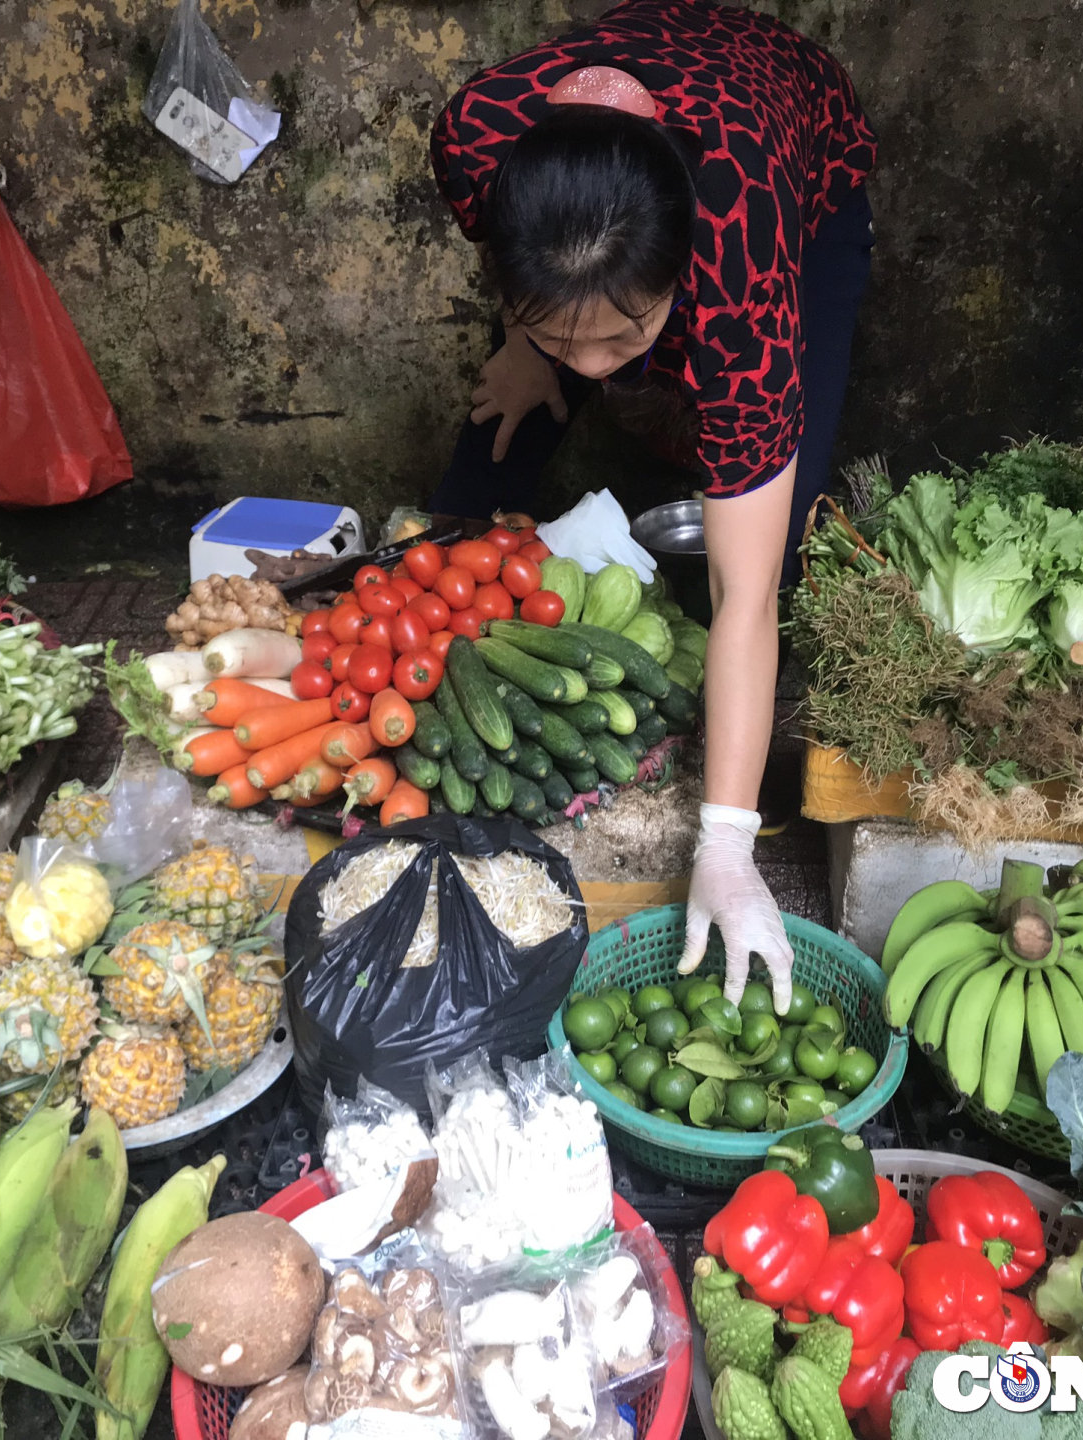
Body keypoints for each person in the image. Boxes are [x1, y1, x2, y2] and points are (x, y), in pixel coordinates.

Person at [426, 0, 877, 1015]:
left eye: (622, 341)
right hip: (600, 196)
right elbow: (555, 296)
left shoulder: (743, 279)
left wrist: (726, 839)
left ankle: (731, 751)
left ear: (684, 280)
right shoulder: (473, 141)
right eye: (562, 334)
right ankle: (542, 341)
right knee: (499, 430)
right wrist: (526, 353)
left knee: (776, 526)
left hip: (799, 153)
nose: (592, 367)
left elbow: (743, 593)